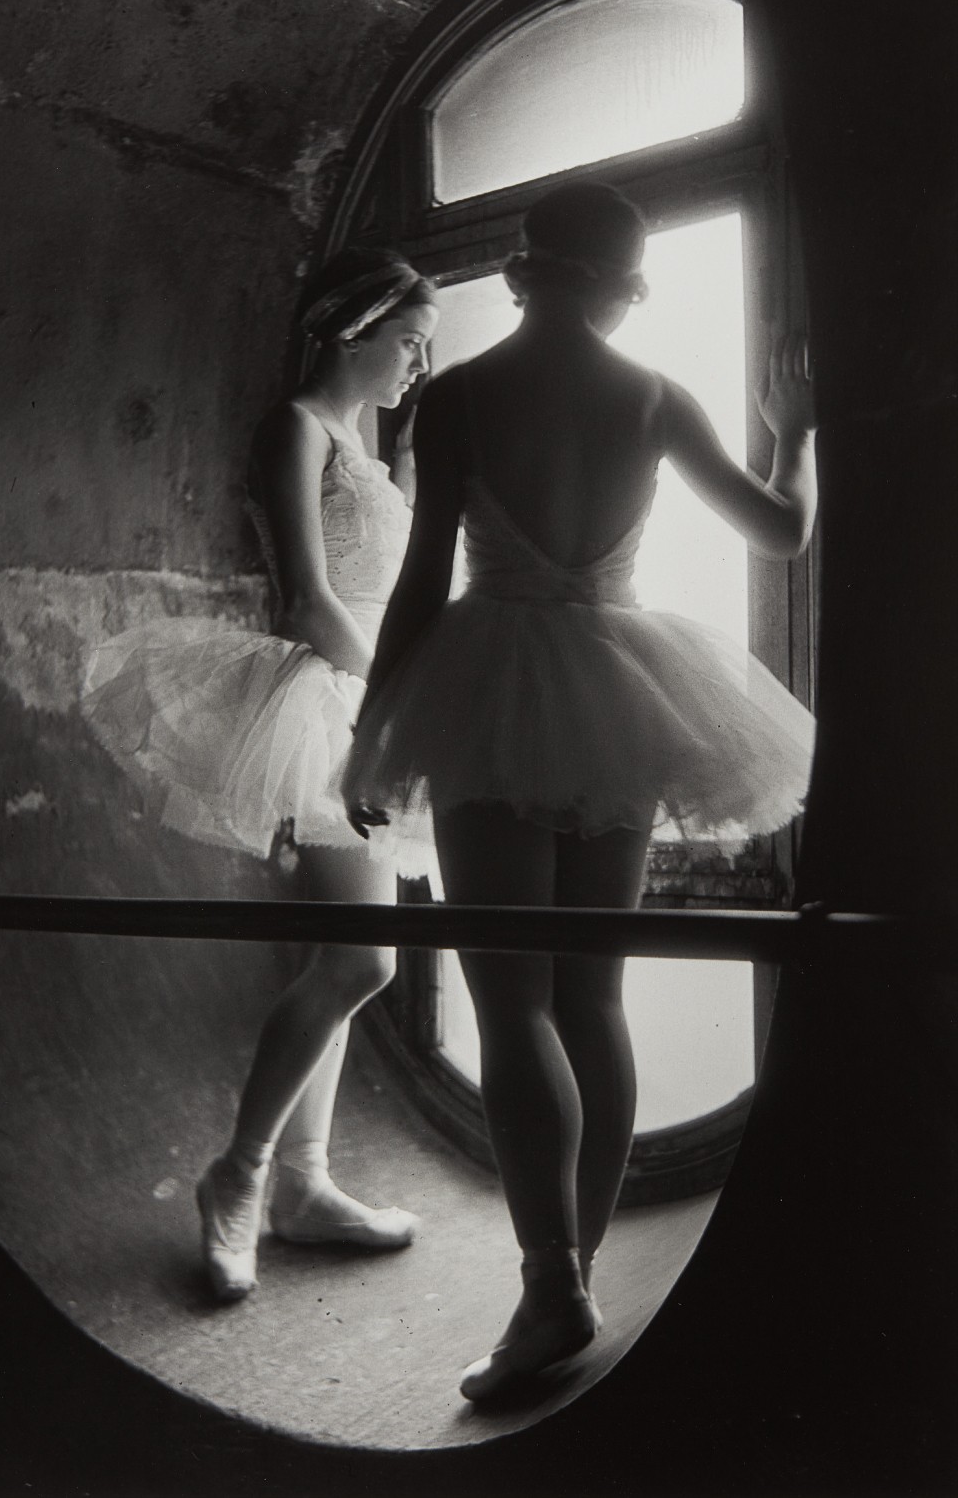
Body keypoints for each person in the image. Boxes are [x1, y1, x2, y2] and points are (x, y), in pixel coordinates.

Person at [343, 181, 817, 1400]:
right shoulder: (654, 396)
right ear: (625, 282)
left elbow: (418, 580)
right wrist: (796, 432)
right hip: (619, 687)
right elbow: (779, 533)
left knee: (514, 1004)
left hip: (488, 681)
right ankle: (575, 1270)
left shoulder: (455, 397)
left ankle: (550, 1281)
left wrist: (372, 728)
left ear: (521, 269)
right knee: (593, 996)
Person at [81, 248, 439, 1301]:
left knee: (350, 955)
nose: (418, 362)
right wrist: (397, 714)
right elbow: (307, 601)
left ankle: (304, 1185)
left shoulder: (369, 443)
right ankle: (239, 1177)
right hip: (333, 696)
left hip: (371, 691)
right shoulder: (296, 426)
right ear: (353, 328)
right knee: (363, 963)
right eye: (409, 340)